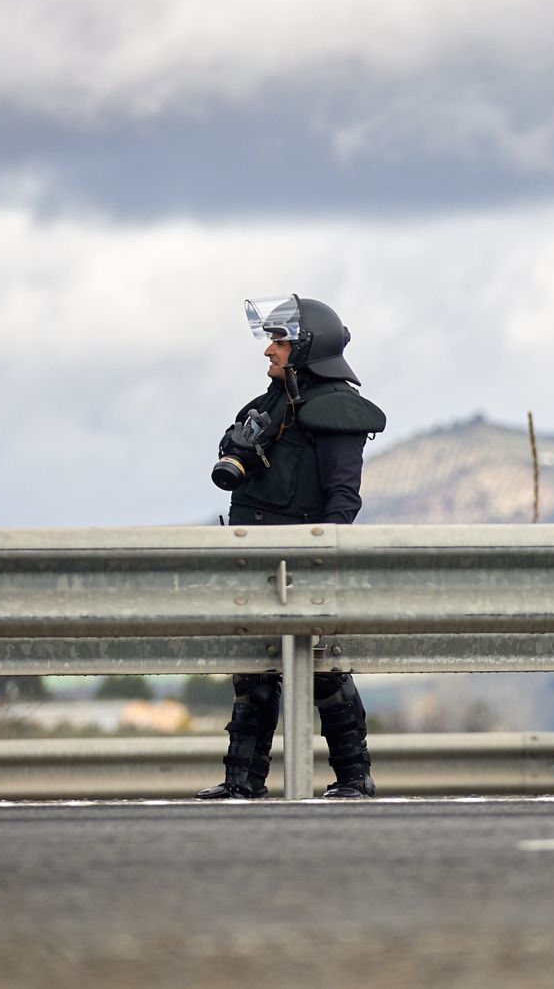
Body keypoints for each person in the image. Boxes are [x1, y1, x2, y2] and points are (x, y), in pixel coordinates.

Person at [197, 293, 386, 800]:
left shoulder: (336, 408)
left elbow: (343, 496)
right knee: (254, 668)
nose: (269, 351)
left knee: (323, 666)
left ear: (304, 345)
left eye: (279, 340)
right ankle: (241, 783)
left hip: (306, 557)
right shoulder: (269, 406)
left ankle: (353, 778)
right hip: (254, 555)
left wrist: (321, 557)